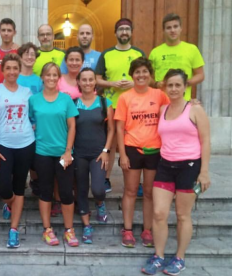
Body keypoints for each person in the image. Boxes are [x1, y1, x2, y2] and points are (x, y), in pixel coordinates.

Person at [141, 69, 210, 276]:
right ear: (165, 87)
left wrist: (204, 172)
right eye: (170, 85)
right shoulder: (162, 109)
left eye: (177, 85)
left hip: (189, 167)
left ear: (185, 87)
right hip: (165, 165)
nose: (173, 89)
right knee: (159, 213)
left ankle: (179, 258)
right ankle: (159, 256)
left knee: (182, 214)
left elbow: (206, 141)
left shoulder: (195, 110)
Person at [114, 57, 169, 248]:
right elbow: (119, 128)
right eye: (137, 72)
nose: (141, 75)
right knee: (130, 191)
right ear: (132, 75)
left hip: (155, 150)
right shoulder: (125, 97)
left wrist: (193, 103)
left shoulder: (160, 95)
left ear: (150, 74)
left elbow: (175, 110)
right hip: (132, 149)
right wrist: (122, 154)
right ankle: (127, 230)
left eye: (145, 71)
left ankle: (147, 230)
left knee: (148, 192)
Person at [0, 53, 35, 248]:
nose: (12, 72)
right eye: (9, 68)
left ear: (19, 70)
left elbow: (34, 115)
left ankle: (13, 230)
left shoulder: (27, 92)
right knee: (4, 188)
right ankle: (9, 203)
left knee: (19, 187)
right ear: (2, 70)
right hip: (3, 145)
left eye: (16, 68)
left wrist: (34, 126)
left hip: (25, 144)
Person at [29, 62, 79, 247]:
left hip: (63, 154)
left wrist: (68, 151)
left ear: (59, 78)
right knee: (45, 191)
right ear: (42, 77)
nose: (51, 78)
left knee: (66, 192)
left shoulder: (65, 100)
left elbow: (72, 126)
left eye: (54, 75)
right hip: (42, 152)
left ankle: (69, 229)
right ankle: (47, 229)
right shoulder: (33, 100)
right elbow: (28, 121)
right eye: (47, 75)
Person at [95, 18, 145, 194]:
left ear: (131, 32)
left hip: (136, 106)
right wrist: (113, 84)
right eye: (121, 29)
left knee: (134, 143)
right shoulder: (106, 54)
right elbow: (97, 78)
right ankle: (106, 179)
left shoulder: (139, 53)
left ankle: (135, 182)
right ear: (116, 33)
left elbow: (147, 78)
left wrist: (134, 84)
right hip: (113, 106)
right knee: (112, 143)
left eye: (127, 29)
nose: (124, 32)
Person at [74, 68, 114, 243]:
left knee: (98, 189)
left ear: (95, 82)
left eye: (91, 79)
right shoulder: (73, 103)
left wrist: (106, 151)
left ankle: (100, 203)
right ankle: (86, 226)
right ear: (79, 82)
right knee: (81, 190)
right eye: (84, 80)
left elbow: (112, 130)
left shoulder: (105, 103)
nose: (88, 83)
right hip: (79, 154)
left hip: (99, 154)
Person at [149, 13, 205, 101]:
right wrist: (156, 84)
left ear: (181, 29)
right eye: (168, 28)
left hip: (183, 102)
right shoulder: (155, 52)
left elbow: (200, 75)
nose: (172, 30)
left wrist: (185, 83)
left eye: (175, 26)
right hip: (160, 102)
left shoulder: (192, 49)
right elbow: (148, 77)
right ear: (163, 31)